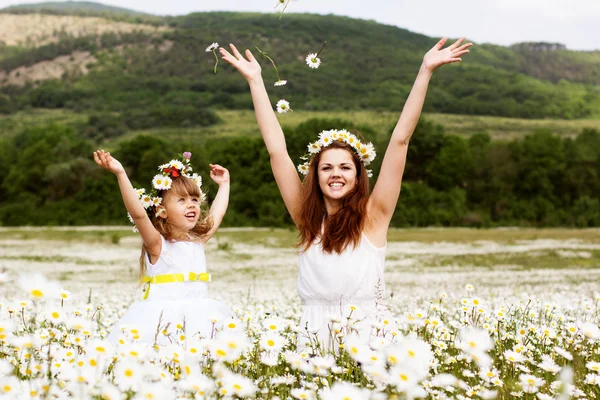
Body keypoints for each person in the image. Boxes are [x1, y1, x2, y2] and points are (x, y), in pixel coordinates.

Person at [220, 37, 472, 350]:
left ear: (358, 175)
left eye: (345, 168)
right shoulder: (306, 218)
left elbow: (400, 141)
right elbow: (276, 151)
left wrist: (425, 71)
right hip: (314, 333)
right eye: (326, 168)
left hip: (369, 332)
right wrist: (256, 81)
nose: (336, 174)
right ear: (315, 175)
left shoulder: (374, 217)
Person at [93, 149, 232, 346]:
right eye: (181, 200)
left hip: (198, 318)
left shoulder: (197, 240)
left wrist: (224, 185)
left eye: (194, 200)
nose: (191, 205)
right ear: (162, 211)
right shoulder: (158, 245)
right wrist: (121, 173)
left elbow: (217, 214)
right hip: (161, 322)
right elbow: (139, 214)